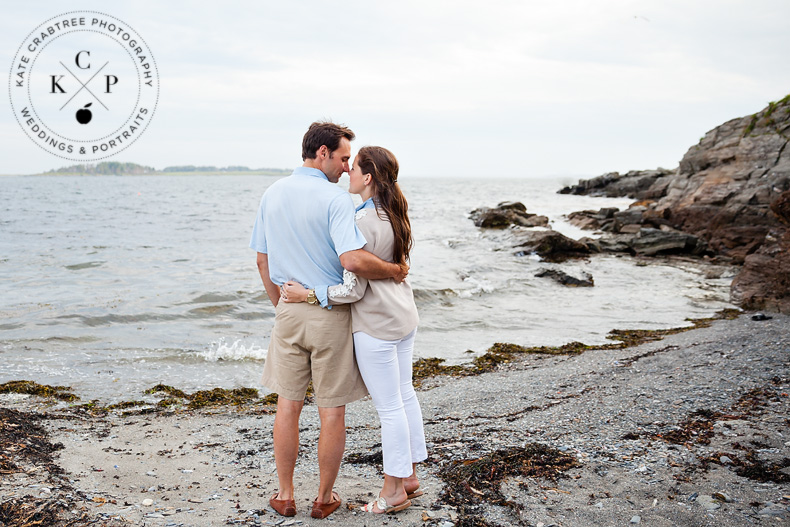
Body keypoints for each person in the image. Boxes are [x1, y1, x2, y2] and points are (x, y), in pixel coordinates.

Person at [249, 122, 408, 520]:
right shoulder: (336, 201)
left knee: (287, 406)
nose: (344, 167)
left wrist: (281, 307)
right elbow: (352, 261)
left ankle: (284, 495)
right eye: (341, 158)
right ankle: (323, 498)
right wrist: (393, 270)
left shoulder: (272, 193)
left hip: (288, 310)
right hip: (330, 315)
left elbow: (262, 260)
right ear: (322, 153)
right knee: (331, 411)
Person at [281, 146, 426, 514]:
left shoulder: (360, 222)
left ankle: (393, 492)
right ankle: (408, 475)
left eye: (354, 167)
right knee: (405, 395)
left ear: (368, 177)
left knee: (390, 405)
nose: (347, 173)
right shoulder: (394, 212)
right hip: (403, 316)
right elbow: (395, 266)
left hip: (376, 323)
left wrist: (306, 294)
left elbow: (352, 289)